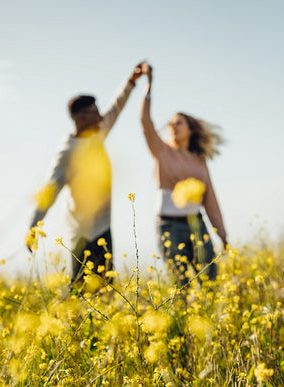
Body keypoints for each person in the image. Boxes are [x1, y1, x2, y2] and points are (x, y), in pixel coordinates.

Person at [27, 62, 145, 285]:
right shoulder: (66, 153)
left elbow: (116, 108)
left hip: (103, 226)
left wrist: (131, 81)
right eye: (94, 113)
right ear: (80, 118)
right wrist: (33, 228)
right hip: (80, 232)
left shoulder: (97, 134)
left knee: (105, 288)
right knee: (81, 290)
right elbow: (50, 191)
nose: (101, 117)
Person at [140, 64, 228, 287]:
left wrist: (222, 234)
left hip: (197, 224)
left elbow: (210, 200)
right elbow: (145, 121)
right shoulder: (161, 151)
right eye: (171, 123)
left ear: (190, 128)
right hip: (168, 226)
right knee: (181, 286)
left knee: (210, 281)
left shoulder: (200, 160)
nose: (173, 126)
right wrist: (148, 86)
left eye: (179, 122)